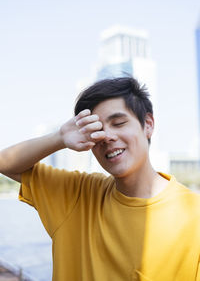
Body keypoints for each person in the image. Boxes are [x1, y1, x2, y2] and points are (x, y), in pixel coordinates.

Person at [0, 76, 200, 281]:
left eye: (119, 123)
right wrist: (59, 138)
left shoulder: (194, 214)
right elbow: (5, 162)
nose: (107, 137)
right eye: (96, 130)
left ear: (148, 124)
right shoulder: (78, 195)